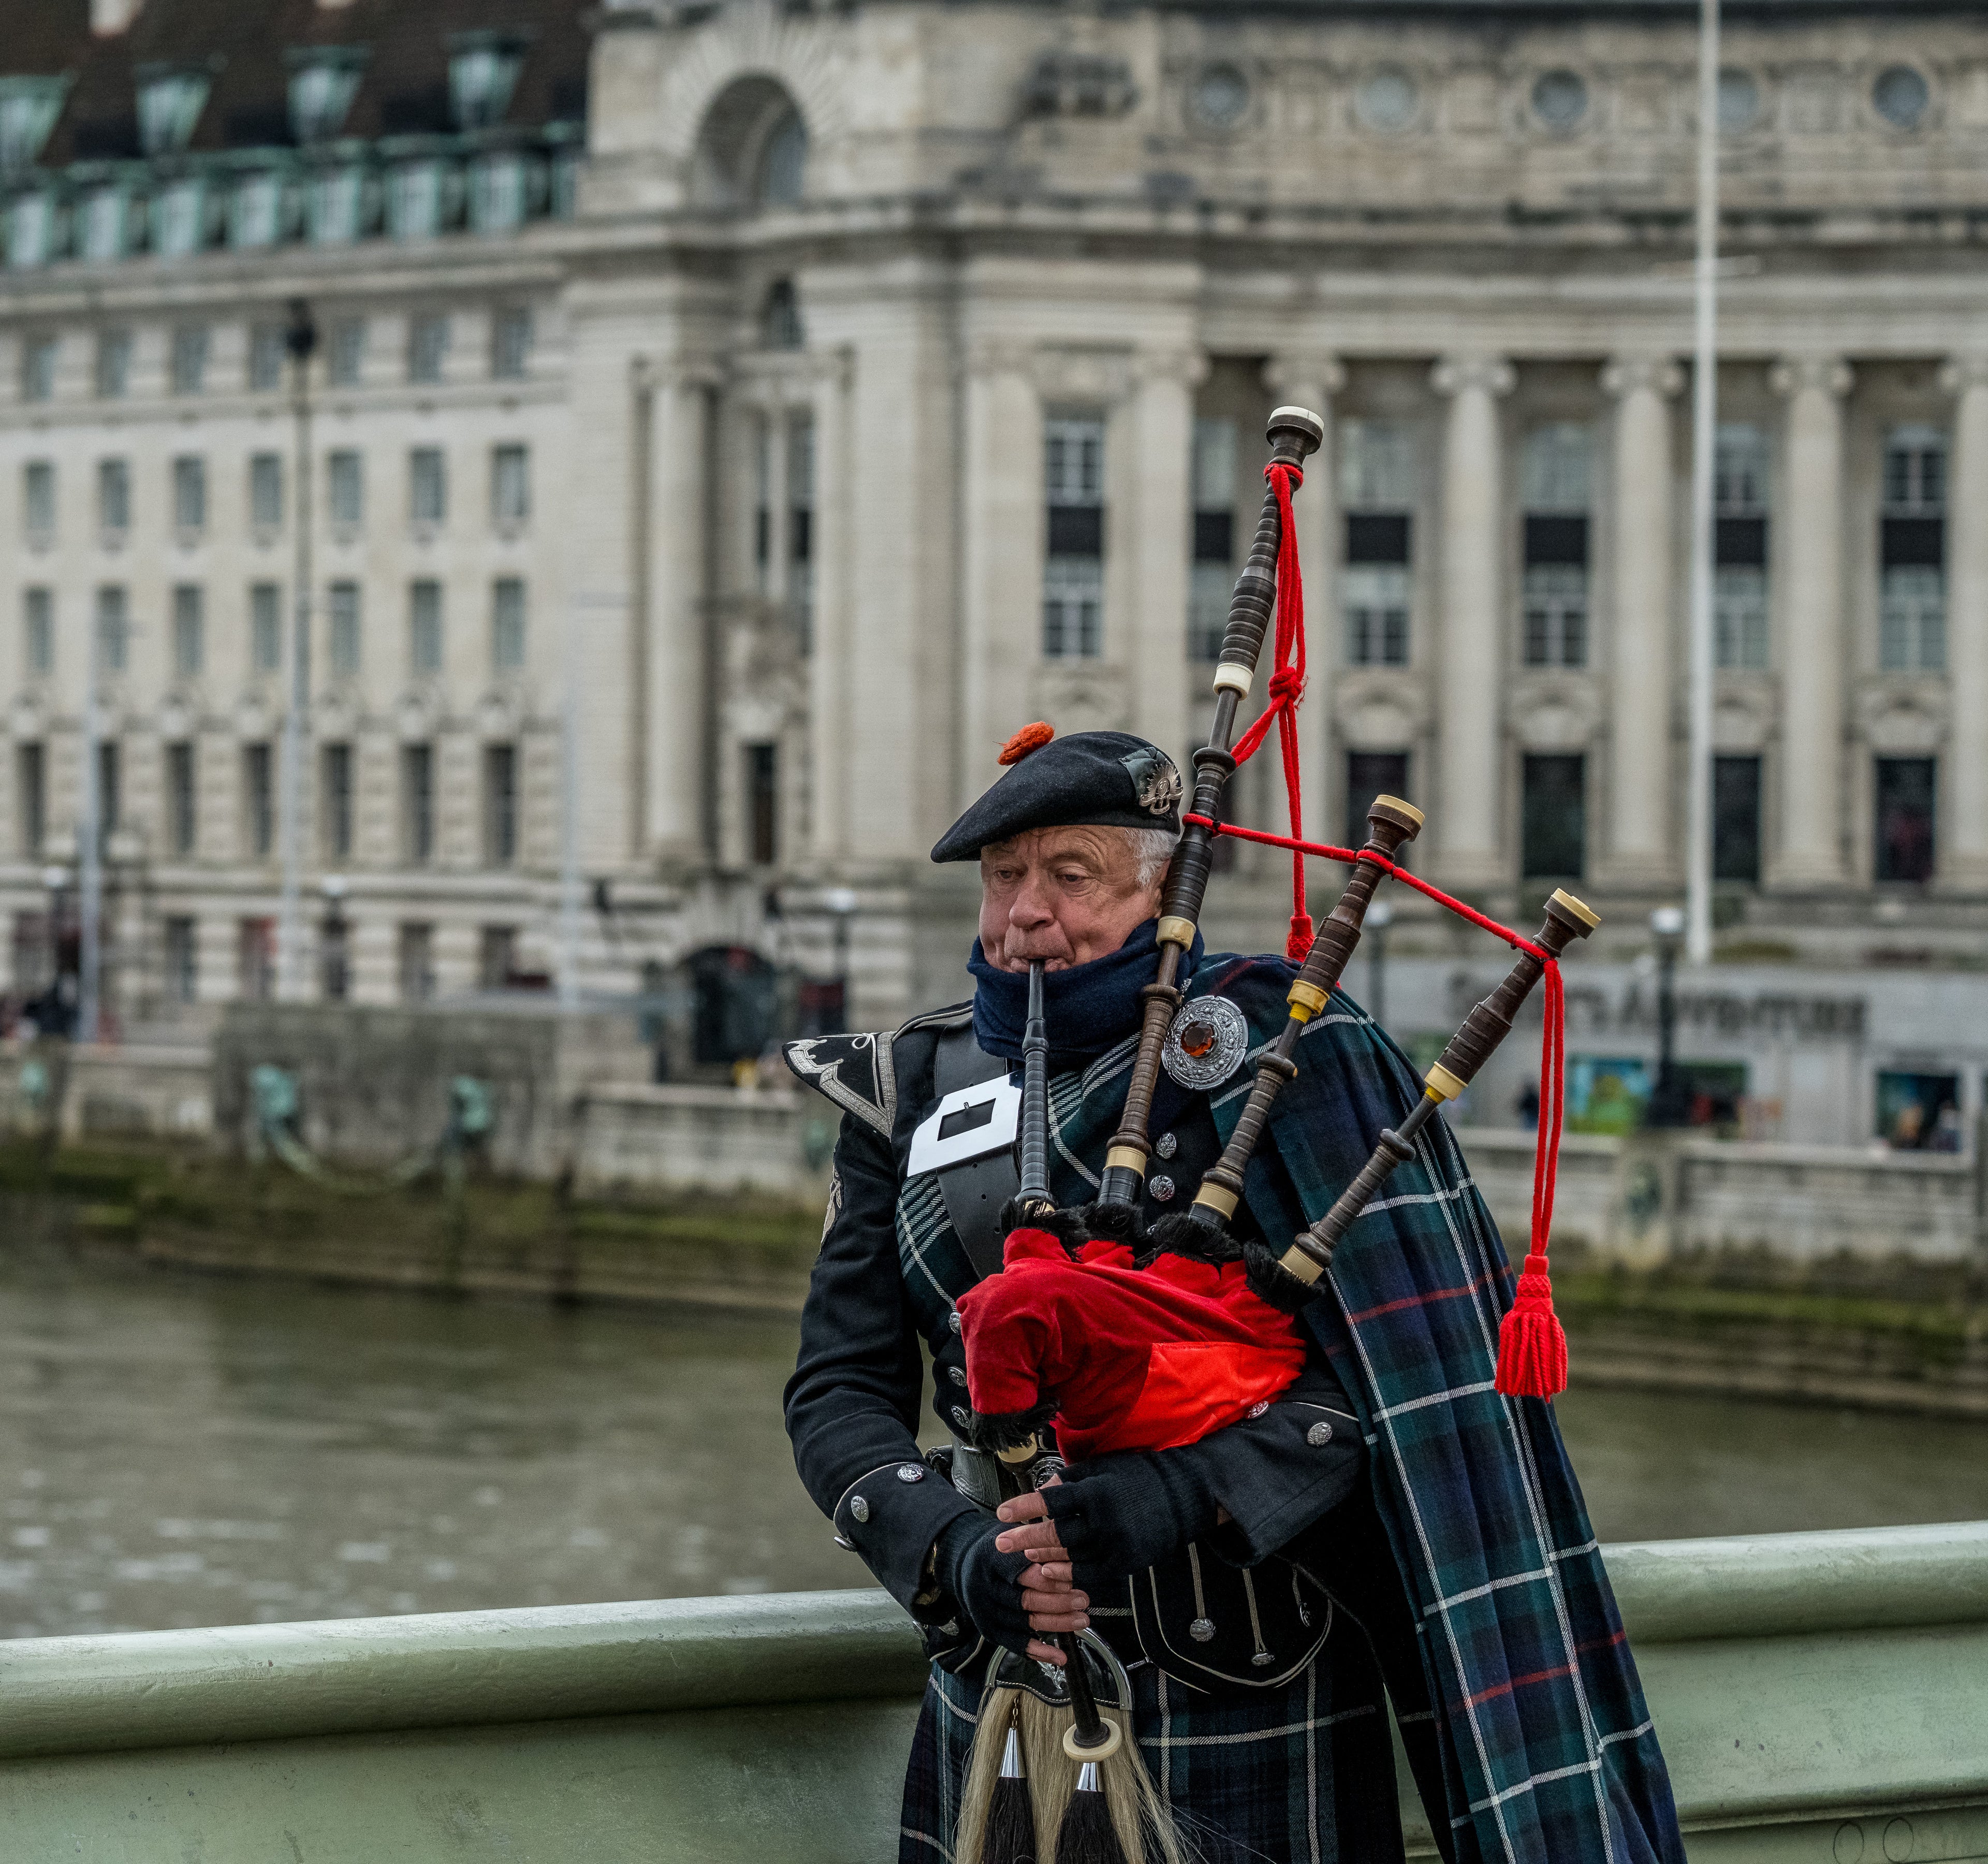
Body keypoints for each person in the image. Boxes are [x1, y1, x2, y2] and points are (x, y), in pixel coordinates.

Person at [784, 727, 1682, 1864]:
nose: (1027, 914)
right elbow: (837, 1392)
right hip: (1005, 1682)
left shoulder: (1286, 1051)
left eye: (1074, 877)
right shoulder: (907, 1088)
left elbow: (1409, 1394)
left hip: (1256, 1678)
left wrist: (1186, 1492)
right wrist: (954, 1554)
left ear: (1167, 893)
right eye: (1005, 877)